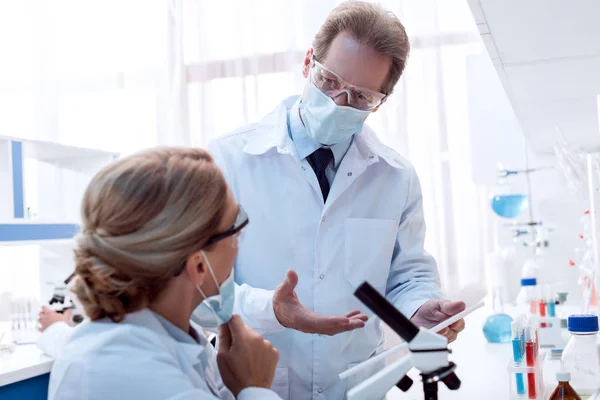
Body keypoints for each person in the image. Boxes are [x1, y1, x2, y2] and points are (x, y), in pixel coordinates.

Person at [207, 2, 466, 399]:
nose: (339, 102)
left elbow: (406, 273)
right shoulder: (228, 161)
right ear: (309, 62)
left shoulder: (395, 177)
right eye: (330, 82)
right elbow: (200, 291)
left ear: (383, 99)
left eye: (361, 97)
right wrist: (273, 309)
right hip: (257, 386)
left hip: (356, 387)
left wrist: (419, 306)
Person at [48, 148, 282, 400]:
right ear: (199, 265)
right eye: (236, 228)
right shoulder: (136, 376)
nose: (239, 240)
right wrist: (256, 388)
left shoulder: (145, 342)